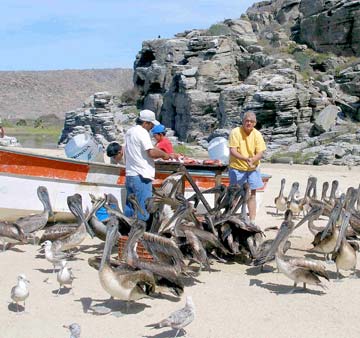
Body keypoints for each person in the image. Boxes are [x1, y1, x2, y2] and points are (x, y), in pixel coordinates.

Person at [124, 109, 176, 221]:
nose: (151, 128)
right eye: (151, 125)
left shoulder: (130, 132)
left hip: (130, 174)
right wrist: (164, 155)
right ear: (145, 123)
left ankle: (126, 233)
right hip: (141, 175)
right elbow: (151, 152)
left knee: (130, 208)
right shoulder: (142, 132)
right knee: (143, 210)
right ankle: (141, 234)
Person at [228, 111, 266, 225]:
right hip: (237, 167)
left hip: (252, 169)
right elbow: (233, 150)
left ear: (255, 123)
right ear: (243, 121)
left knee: (252, 194)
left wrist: (253, 160)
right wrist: (246, 159)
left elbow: (260, 152)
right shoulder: (235, 132)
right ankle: (230, 216)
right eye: (247, 121)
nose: (248, 123)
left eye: (251, 121)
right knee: (235, 193)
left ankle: (252, 220)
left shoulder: (257, 134)